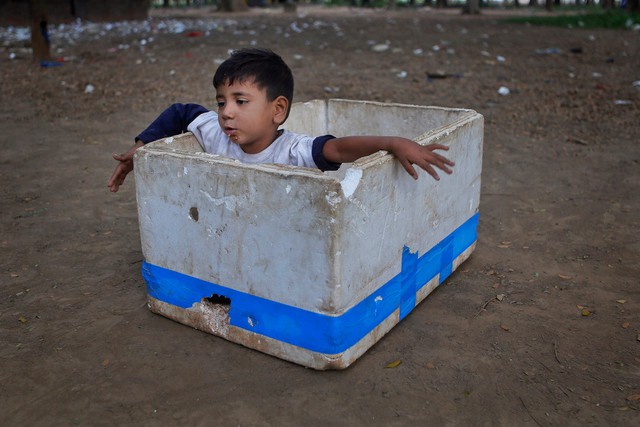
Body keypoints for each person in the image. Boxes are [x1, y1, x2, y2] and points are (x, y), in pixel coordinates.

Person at [107, 48, 454, 193]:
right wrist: (141, 149)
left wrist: (392, 143)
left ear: (277, 109)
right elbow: (180, 112)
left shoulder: (293, 150)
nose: (226, 111)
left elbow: (336, 148)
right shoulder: (216, 129)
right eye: (221, 101)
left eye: (241, 101)